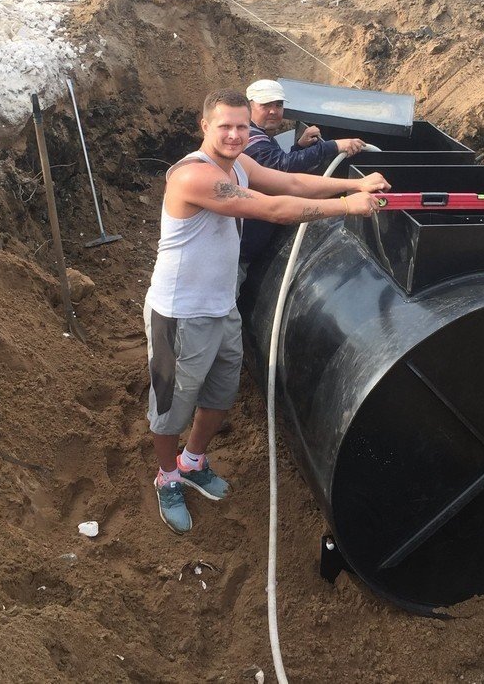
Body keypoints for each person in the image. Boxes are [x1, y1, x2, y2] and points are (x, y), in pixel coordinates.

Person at [144, 88, 389, 534]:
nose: (234, 135)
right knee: (172, 405)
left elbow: (290, 184)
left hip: (221, 306)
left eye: (242, 126)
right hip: (181, 313)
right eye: (225, 126)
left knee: (220, 394)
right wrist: (345, 206)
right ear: (205, 126)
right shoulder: (192, 176)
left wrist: (353, 183)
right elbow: (274, 209)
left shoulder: (238, 164)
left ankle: (193, 461)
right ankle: (168, 477)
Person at [241, 78, 368, 269]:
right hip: (238, 256)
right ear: (249, 107)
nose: (273, 111)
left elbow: (276, 172)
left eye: (278, 105)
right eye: (265, 105)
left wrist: (299, 147)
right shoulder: (249, 139)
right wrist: (333, 146)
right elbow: (282, 168)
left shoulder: (260, 135)